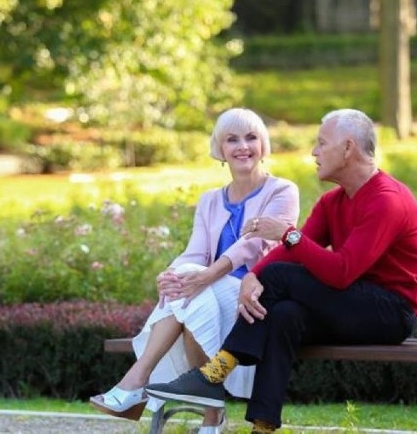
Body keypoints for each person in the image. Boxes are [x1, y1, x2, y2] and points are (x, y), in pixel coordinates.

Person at [145, 108, 417, 433]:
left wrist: (285, 234)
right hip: (352, 304)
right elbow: (293, 251)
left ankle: (214, 373)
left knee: (281, 278)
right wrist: (253, 275)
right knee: (284, 314)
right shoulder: (332, 202)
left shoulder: (386, 200)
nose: (314, 151)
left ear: (348, 148)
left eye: (322, 143)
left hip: (393, 312)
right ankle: (263, 427)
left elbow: (341, 271)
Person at [90, 108, 300, 433]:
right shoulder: (210, 200)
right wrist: (171, 274)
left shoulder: (282, 191)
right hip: (210, 295)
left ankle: (136, 383)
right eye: (232, 140)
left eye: (251, 137)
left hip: (255, 296)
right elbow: (196, 252)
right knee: (189, 288)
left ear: (263, 144)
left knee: (196, 290)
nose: (243, 146)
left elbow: (253, 246)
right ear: (220, 149)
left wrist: (205, 275)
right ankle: (209, 419)